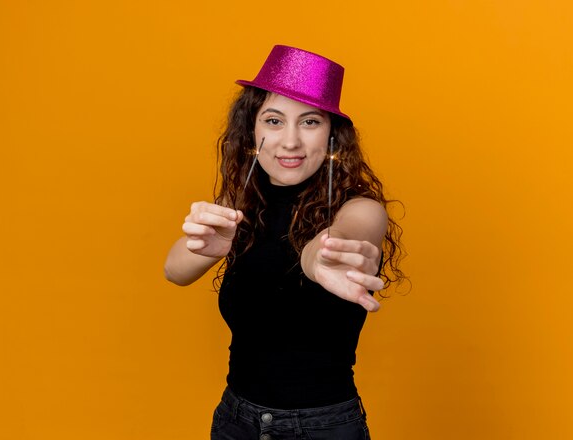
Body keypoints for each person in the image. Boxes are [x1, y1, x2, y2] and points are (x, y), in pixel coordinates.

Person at [164, 45, 405, 440]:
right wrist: (201, 246)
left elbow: (338, 239)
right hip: (234, 421)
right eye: (274, 121)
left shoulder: (360, 209)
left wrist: (321, 259)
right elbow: (173, 271)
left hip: (322, 428)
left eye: (309, 122)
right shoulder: (241, 204)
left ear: (331, 135)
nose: (290, 141)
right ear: (253, 130)